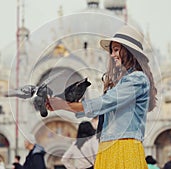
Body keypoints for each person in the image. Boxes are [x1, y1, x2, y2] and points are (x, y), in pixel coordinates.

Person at [47, 25, 157, 168]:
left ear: (129, 52)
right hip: (108, 148)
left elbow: (105, 102)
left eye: (116, 49)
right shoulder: (120, 83)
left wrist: (63, 105)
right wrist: (63, 104)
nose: (112, 54)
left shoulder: (137, 79)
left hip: (124, 148)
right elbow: (101, 108)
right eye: (111, 50)